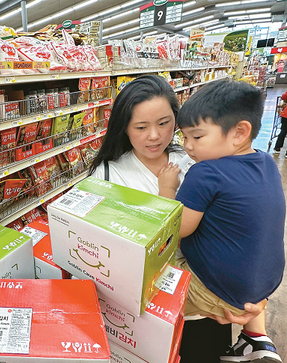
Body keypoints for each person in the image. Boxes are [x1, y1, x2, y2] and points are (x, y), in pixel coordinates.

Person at [89, 75, 267, 363]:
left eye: (164, 123)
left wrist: (250, 295)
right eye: (141, 127)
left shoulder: (201, 157)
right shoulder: (108, 175)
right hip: (145, 312)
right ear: (124, 127)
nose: (155, 136)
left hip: (205, 312)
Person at [159, 80, 285, 363]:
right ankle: (255, 337)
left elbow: (176, 229)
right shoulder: (265, 162)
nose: (189, 147)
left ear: (240, 132)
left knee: (155, 267)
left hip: (218, 291)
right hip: (263, 285)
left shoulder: (206, 172)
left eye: (197, 137)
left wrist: (167, 189)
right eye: (184, 137)